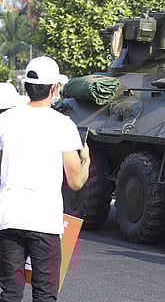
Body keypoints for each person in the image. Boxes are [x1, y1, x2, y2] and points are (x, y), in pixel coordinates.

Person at [0, 56, 91, 302]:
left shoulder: (5, 120)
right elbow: (75, 182)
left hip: (8, 218)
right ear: (54, 88)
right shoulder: (63, 125)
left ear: (26, 86)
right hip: (44, 222)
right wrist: (86, 162)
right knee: (44, 293)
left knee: (9, 292)